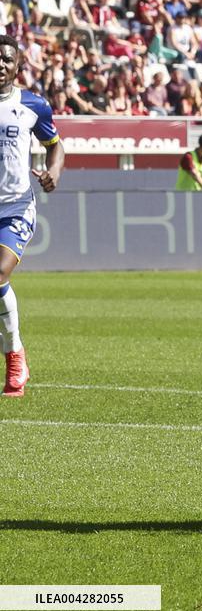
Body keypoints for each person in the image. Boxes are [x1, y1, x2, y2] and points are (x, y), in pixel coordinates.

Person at [0, 35, 65, 396]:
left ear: (17, 67)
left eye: (7, 60)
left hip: (15, 207)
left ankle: (14, 356)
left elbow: (55, 146)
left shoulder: (33, 105)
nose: (0, 65)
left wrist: (53, 173)